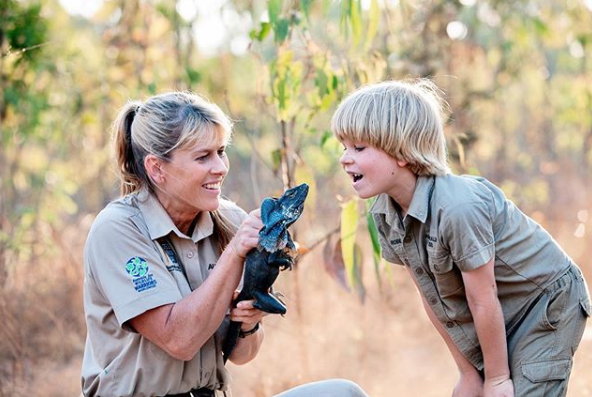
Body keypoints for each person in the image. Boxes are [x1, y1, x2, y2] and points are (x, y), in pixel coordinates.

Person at [81, 91, 369, 397]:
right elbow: (179, 340)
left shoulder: (230, 219)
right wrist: (235, 252)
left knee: (344, 393)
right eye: (203, 156)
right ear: (156, 168)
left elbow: (242, 355)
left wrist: (248, 323)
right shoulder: (118, 230)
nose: (220, 167)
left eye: (221, 151)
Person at [331, 79, 591, 397]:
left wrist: (496, 379)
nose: (345, 158)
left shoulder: (457, 207)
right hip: (495, 311)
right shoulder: (385, 214)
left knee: (519, 390)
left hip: (545, 301)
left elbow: (482, 297)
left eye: (358, 148)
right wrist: (468, 374)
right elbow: (431, 298)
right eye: (343, 147)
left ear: (400, 153)